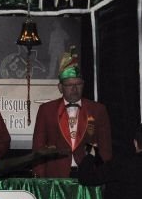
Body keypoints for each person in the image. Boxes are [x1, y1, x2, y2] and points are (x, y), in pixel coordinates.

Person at [32, 46, 112, 177]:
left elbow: (105, 148)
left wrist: (102, 174)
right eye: (69, 85)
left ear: (83, 85)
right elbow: (38, 147)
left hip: (89, 174)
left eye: (78, 84)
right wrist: (40, 177)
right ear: (60, 87)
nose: (74, 89)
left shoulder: (98, 109)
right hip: (55, 176)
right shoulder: (46, 110)